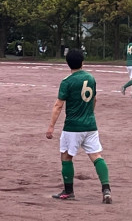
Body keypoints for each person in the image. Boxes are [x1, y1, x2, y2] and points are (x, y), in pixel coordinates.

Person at [45, 48, 112, 204]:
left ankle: (68, 191)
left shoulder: (67, 81)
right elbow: (94, 100)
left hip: (73, 126)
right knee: (96, 156)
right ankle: (106, 189)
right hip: (91, 125)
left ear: (68, 63)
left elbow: (58, 105)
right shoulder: (91, 78)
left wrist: (51, 126)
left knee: (66, 156)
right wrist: (89, 114)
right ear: (82, 62)